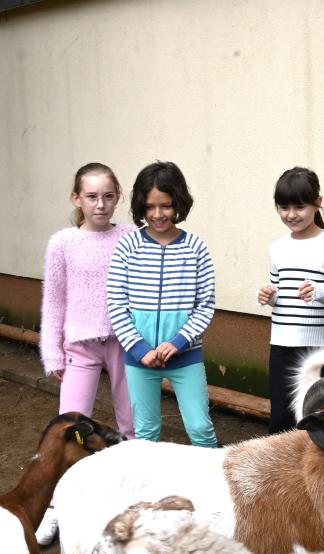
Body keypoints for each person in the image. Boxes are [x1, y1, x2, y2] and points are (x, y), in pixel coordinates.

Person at [36, 162, 137, 546]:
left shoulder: (130, 236)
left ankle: (130, 495)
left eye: (108, 196)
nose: (100, 205)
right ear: (76, 198)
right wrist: (53, 353)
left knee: (132, 421)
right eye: (92, 197)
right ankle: (57, 507)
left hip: (125, 342)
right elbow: (54, 299)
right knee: (69, 425)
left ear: (118, 197)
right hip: (80, 345)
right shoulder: (63, 242)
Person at [107, 161, 217, 447]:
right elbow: (116, 304)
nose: (157, 214)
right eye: (150, 206)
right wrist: (139, 349)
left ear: (178, 202)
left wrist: (178, 342)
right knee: (145, 433)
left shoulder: (196, 247)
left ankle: (211, 488)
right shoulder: (127, 246)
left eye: (166, 205)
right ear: (140, 205)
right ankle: (149, 489)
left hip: (185, 356)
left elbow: (205, 305)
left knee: (200, 428)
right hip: (138, 359)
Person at [256, 167, 324, 434]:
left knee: (320, 419)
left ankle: (322, 473)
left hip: (320, 347)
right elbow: (279, 292)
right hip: (282, 344)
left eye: (299, 207)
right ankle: (283, 474)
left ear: (317, 203)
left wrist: (320, 292)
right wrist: (269, 297)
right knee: (281, 419)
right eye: (284, 207)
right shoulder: (277, 247)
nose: (291, 215)